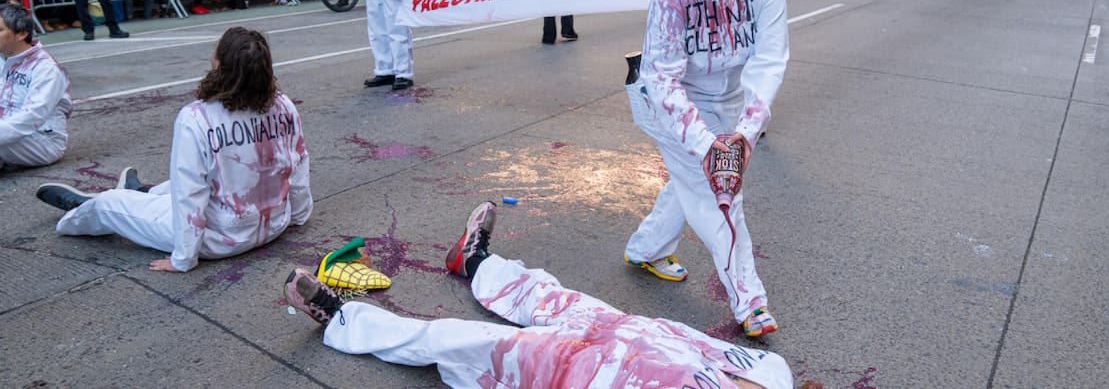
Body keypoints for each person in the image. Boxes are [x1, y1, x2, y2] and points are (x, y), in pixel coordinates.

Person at [284, 201, 794, 388]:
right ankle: (476, 260)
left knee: (458, 341)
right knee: (545, 292)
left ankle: (339, 317)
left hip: (576, 372)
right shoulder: (771, 374)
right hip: (621, 330)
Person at [623, 0, 789, 337]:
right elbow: (661, 78)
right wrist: (709, 145)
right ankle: (750, 300)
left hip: (729, 104)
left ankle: (646, 248)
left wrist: (745, 133)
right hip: (669, 103)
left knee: (687, 186)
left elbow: (770, 61)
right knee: (719, 195)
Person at [36, 27, 312, 273]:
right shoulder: (283, 106)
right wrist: (299, 215)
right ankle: (140, 192)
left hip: (219, 238)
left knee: (110, 204)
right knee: (173, 186)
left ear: (221, 66)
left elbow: (191, 193)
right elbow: (298, 164)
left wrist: (183, 258)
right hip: (273, 224)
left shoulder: (197, 117)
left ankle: (78, 211)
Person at [0, 4, 70, 169]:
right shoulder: (3, 58)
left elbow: (31, 117)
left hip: (42, 141)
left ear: (22, 34)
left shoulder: (46, 69)